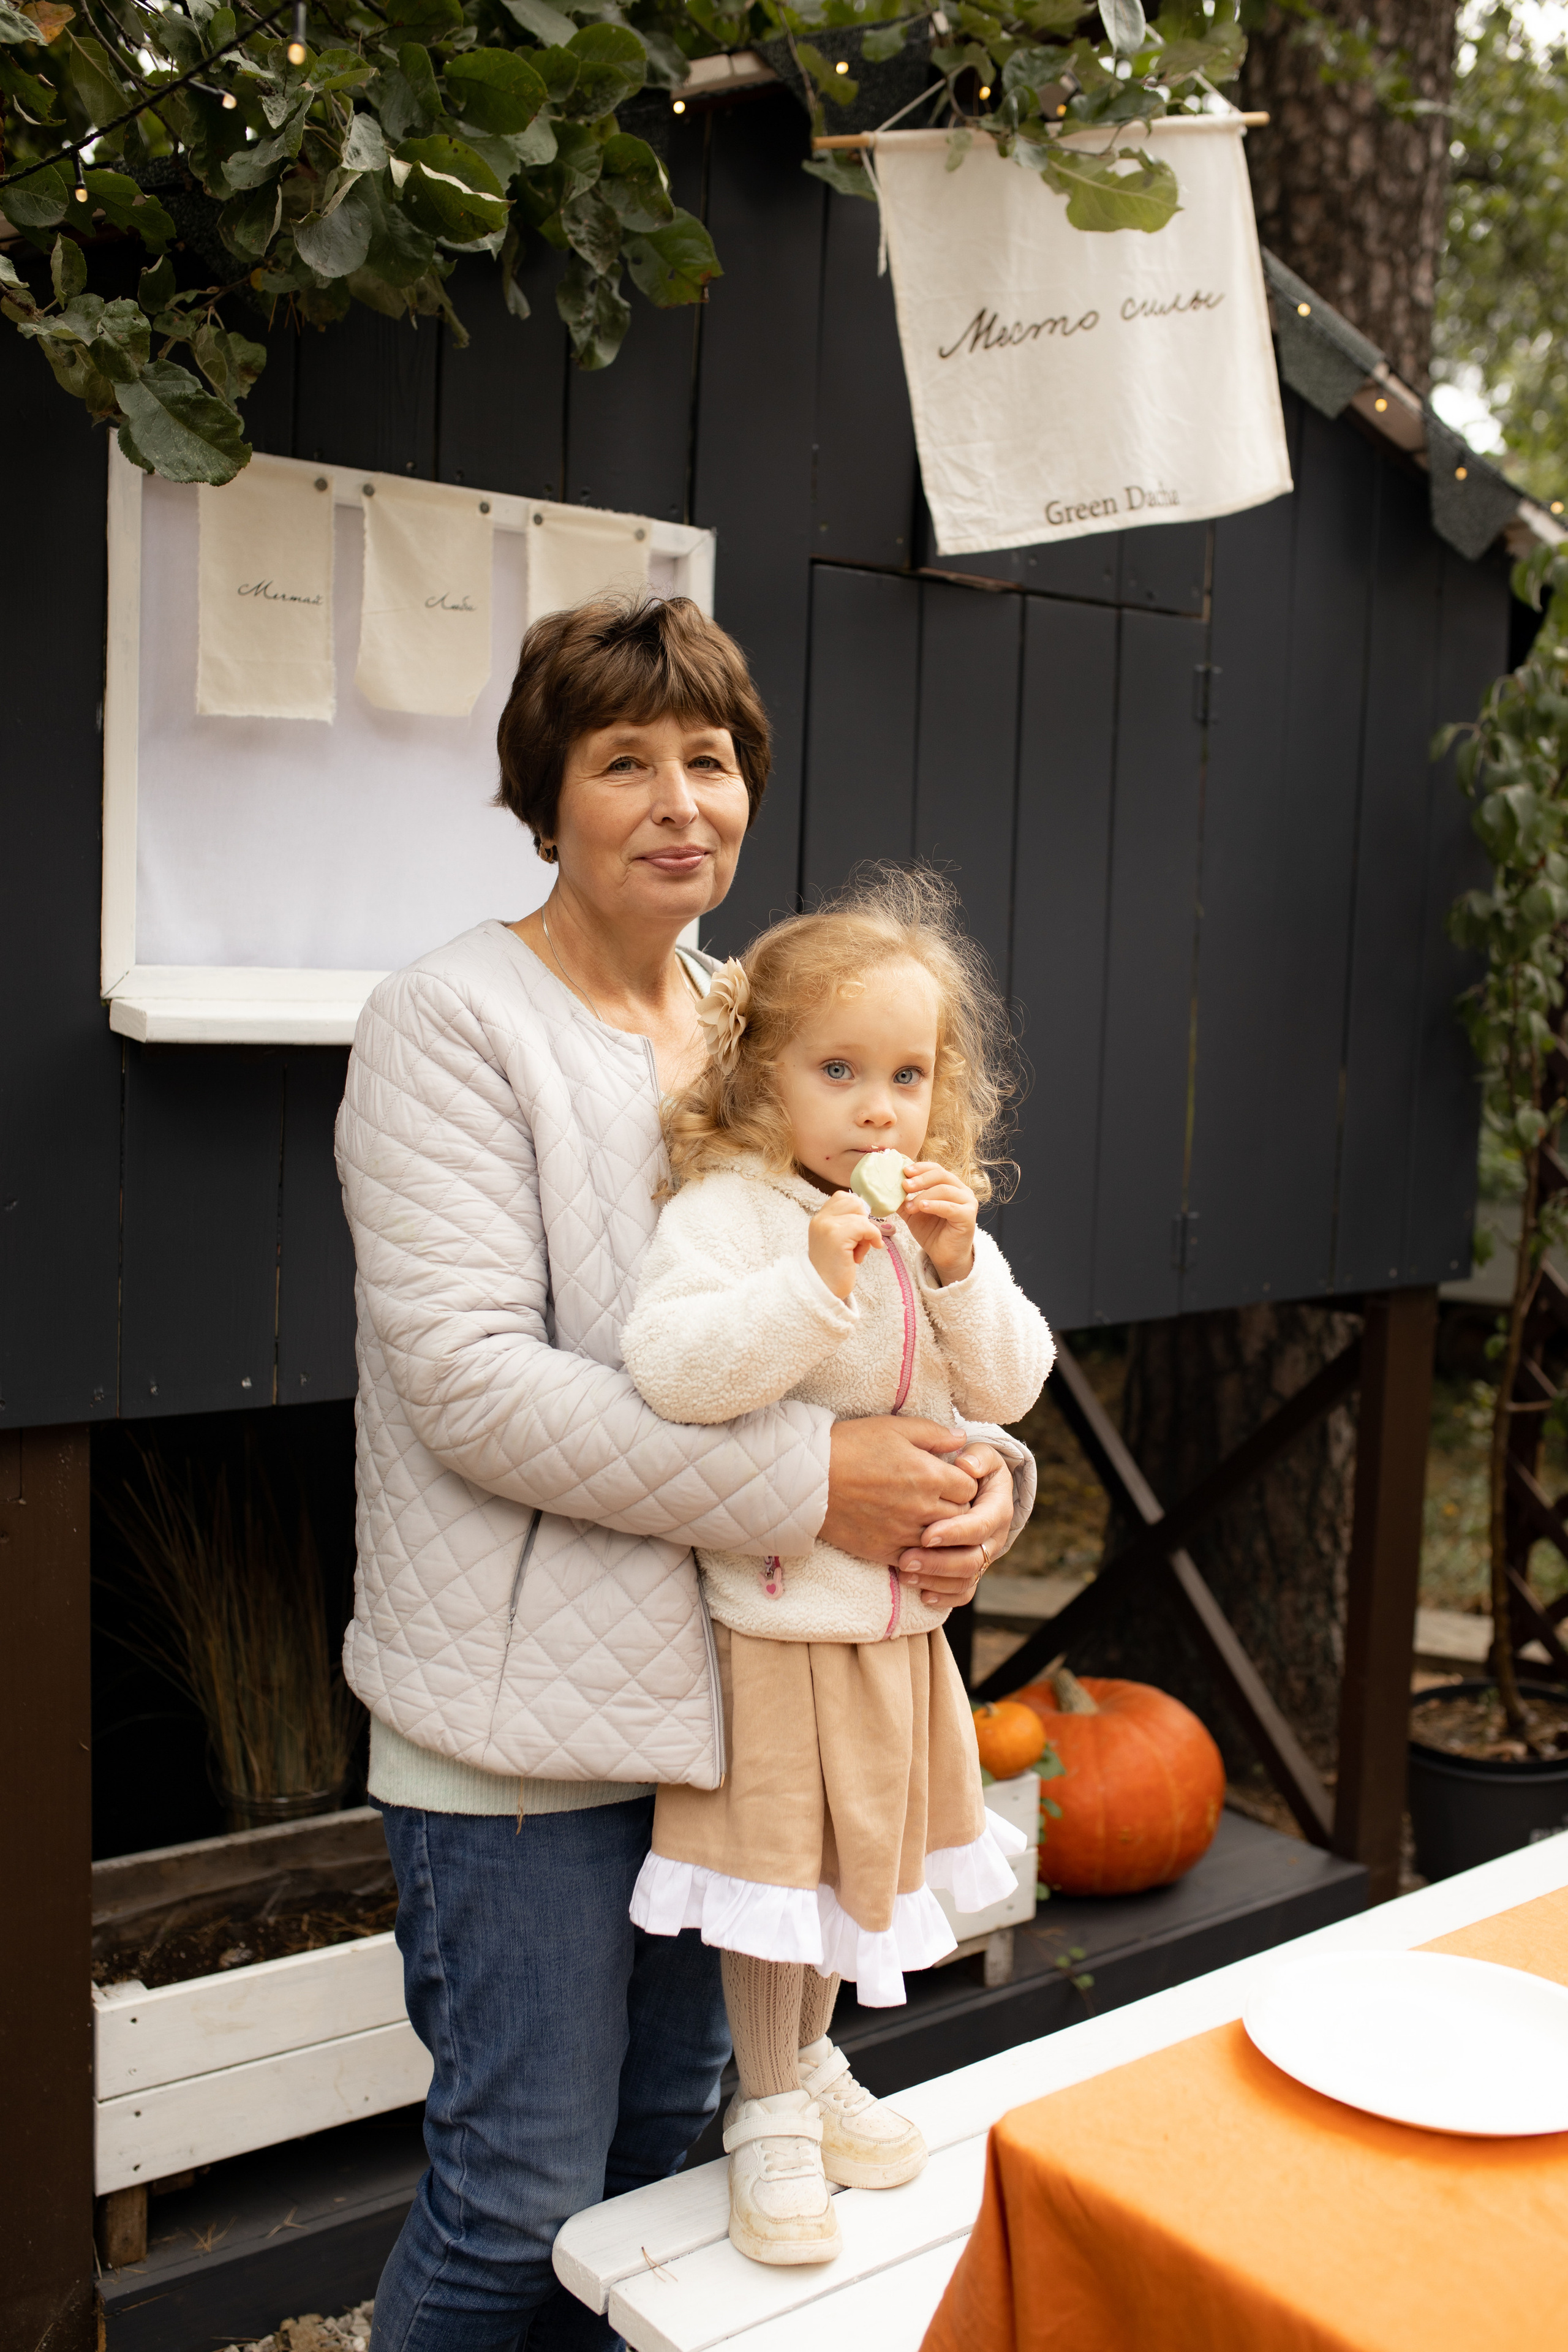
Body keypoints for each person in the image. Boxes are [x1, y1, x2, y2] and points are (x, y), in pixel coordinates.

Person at [336, 594, 1036, 2351]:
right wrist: (824, 1487)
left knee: (673, 2177)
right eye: (622, 761)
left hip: (748, 1712)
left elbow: (908, 1328)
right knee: (517, 2199)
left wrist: (973, 1496)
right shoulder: (449, 1024)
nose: (677, 801)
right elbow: (473, 1392)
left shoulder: (772, 1020)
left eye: (708, 760)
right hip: (524, 1730)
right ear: (544, 795)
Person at [619, 871, 1054, 2266]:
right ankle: (762, 2112)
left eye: (908, 1074)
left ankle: (808, 2069)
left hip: (893, 1633)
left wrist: (957, 1261)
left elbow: (1011, 1382)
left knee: (846, 1864)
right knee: (774, 1873)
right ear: (759, 1080)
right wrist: (812, 1282)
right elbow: (677, 1373)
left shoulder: (933, 1227)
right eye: (840, 1070)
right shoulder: (733, 1216)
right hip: (775, 1624)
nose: (880, 1108)